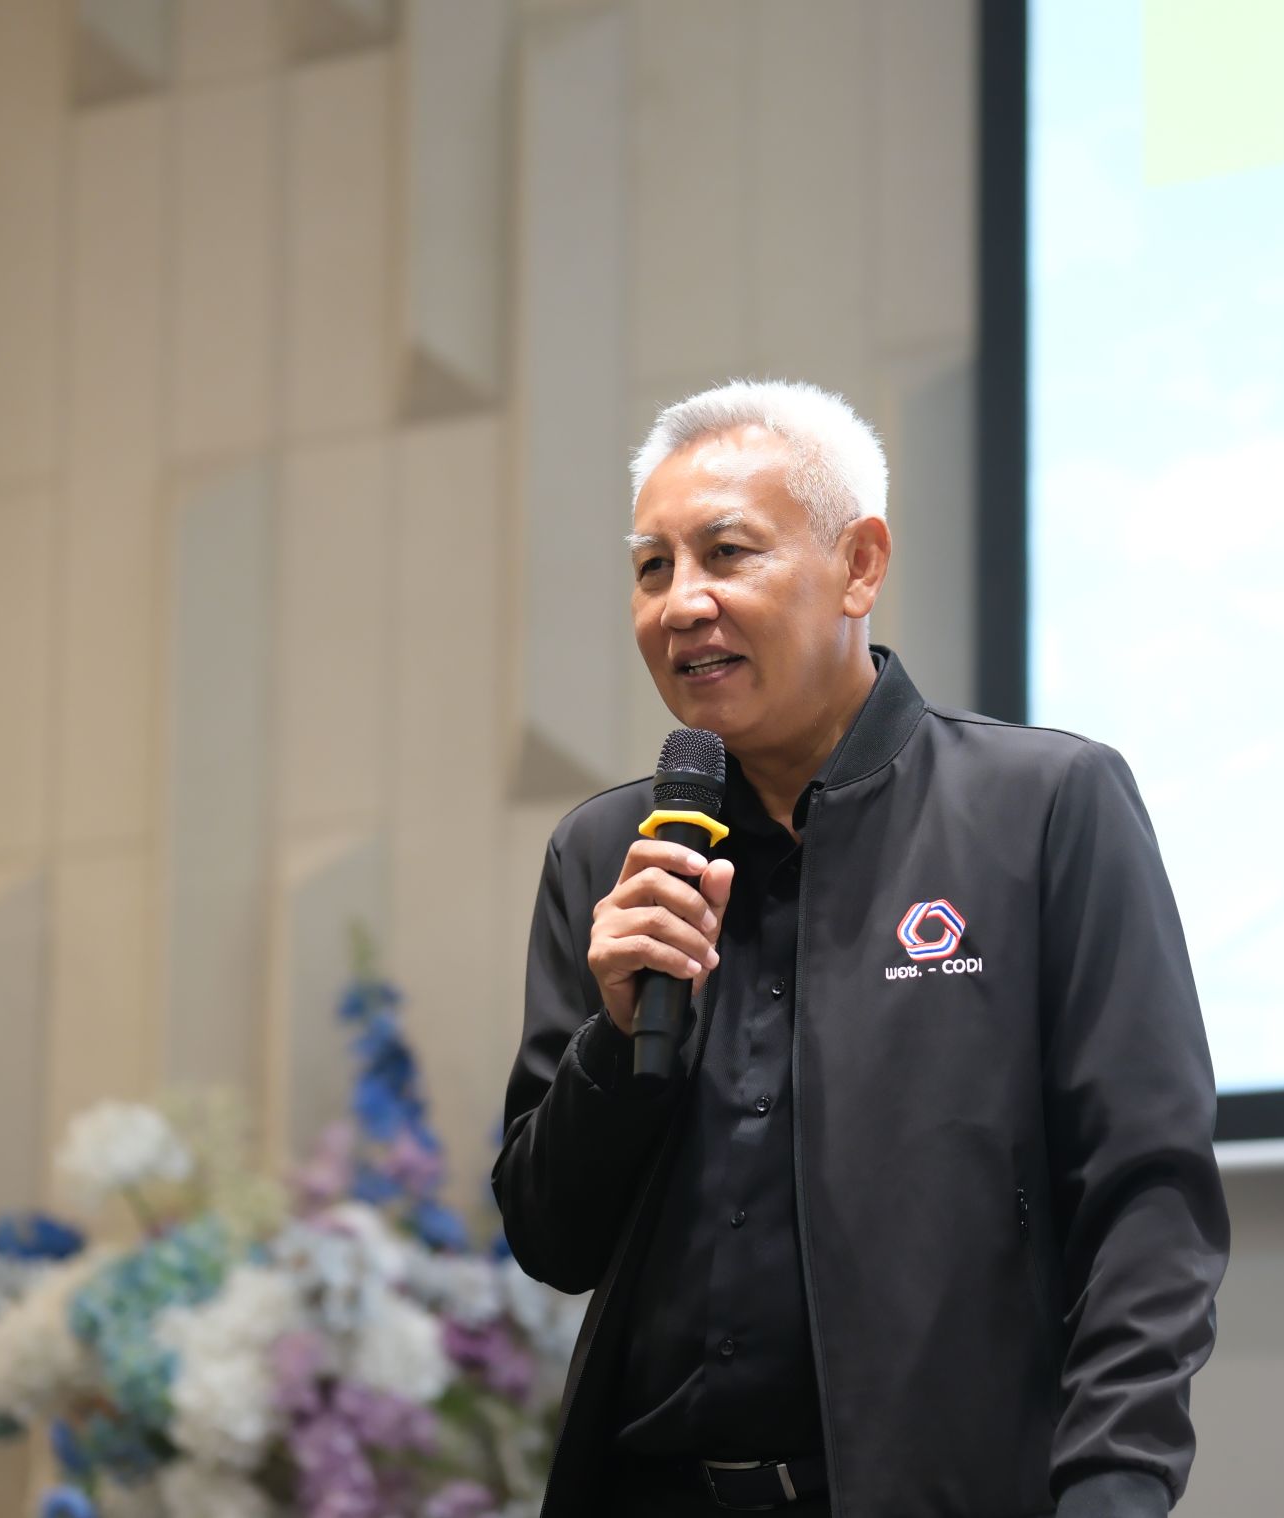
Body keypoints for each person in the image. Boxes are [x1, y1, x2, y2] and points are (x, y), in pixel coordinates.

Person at [493, 380, 1229, 1518]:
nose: (682, 603)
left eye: (726, 553)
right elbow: (552, 1241)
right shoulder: (608, 853)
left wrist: (1111, 1492)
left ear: (859, 566)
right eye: (651, 567)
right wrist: (616, 1037)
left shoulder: (1041, 807)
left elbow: (1147, 1202)